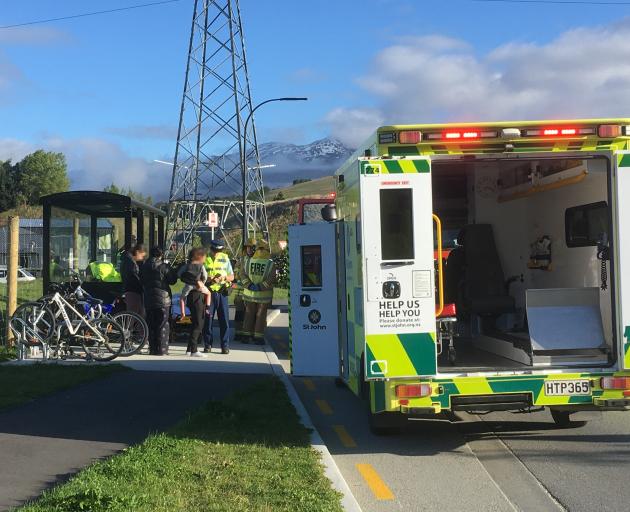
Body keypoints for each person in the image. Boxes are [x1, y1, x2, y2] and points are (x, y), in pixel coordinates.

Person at [140, 246, 177, 355]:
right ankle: (162, 349)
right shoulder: (163, 266)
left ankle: (153, 348)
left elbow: (141, 280)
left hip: (149, 299)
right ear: (161, 255)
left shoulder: (144, 266)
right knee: (163, 324)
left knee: (151, 324)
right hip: (163, 300)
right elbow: (173, 281)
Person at [202, 240, 234, 354]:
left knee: (224, 321)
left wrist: (223, 278)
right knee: (208, 320)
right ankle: (207, 345)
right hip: (209, 293)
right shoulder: (205, 259)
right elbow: (199, 276)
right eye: (215, 251)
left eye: (219, 251)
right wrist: (209, 279)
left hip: (222, 293)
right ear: (211, 249)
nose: (217, 253)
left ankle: (225, 346)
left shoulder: (225, 258)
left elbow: (232, 276)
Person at [242, 239, 275, 345]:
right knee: (260, 316)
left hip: (249, 295)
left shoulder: (249, 261)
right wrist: (260, 287)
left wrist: (249, 285)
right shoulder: (270, 264)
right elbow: (271, 279)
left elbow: (242, 275)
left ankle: (246, 336)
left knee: (248, 315)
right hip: (263, 296)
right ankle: (258, 337)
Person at [181, 247, 209, 358]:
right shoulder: (200, 267)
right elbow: (205, 277)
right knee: (199, 324)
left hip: (190, 296)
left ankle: (189, 348)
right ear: (200, 257)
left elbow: (179, 274)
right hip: (198, 295)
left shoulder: (186, 266)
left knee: (194, 323)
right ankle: (194, 350)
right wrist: (201, 284)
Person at [233, 238, 256, 342]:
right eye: (248, 247)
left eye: (252, 247)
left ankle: (249, 334)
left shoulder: (258, 260)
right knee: (239, 314)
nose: (249, 249)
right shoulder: (241, 260)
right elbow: (235, 274)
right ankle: (238, 333)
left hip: (252, 292)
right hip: (240, 293)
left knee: (250, 315)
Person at [178, 250, 211, 319]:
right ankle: (207, 308)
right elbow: (205, 276)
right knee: (208, 293)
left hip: (188, 285)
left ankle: (183, 313)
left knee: (182, 298)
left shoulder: (187, 265)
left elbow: (179, 274)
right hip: (199, 285)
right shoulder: (201, 266)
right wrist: (203, 283)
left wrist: (185, 279)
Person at [120, 243, 146, 317]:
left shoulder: (128, 260)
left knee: (138, 314)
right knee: (134, 314)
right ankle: (130, 328)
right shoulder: (130, 262)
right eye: (142, 256)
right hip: (133, 290)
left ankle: (138, 328)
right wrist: (142, 284)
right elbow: (133, 276)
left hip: (131, 290)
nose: (142, 258)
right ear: (137, 252)